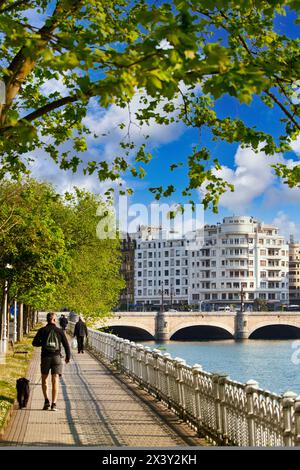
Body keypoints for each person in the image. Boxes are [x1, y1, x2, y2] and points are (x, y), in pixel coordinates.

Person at [32, 312, 71, 411]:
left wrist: (43, 343)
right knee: (55, 379)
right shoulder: (59, 331)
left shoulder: (42, 330)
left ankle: (46, 402)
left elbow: (34, 343)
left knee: (44, 379)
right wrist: (68, 357)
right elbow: (66, 345)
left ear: (47, 320)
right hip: (56, 357)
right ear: (54, 320)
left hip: (45, 357)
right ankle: (54, 404)